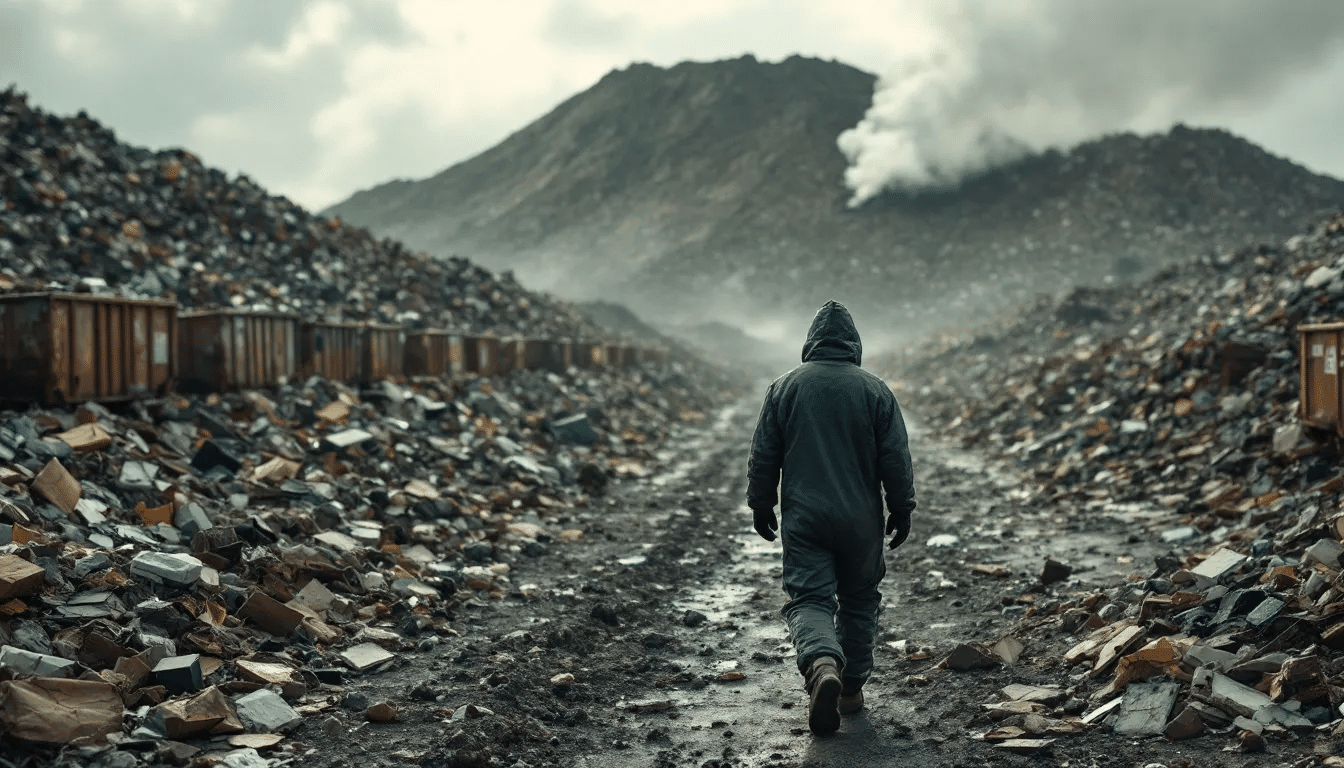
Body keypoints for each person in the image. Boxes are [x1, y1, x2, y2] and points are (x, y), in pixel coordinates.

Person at [745, 300, 916, 736]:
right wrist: (902, 506)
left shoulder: (785, 387)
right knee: (859, 599)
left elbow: (764, 453)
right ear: (854, 345)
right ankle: (851, 690)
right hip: (861, 519)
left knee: (809, 599)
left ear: (810, 343)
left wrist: (761, 502)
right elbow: (895, 457)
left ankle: (822, 664)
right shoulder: (876, 390)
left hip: (805, 517)